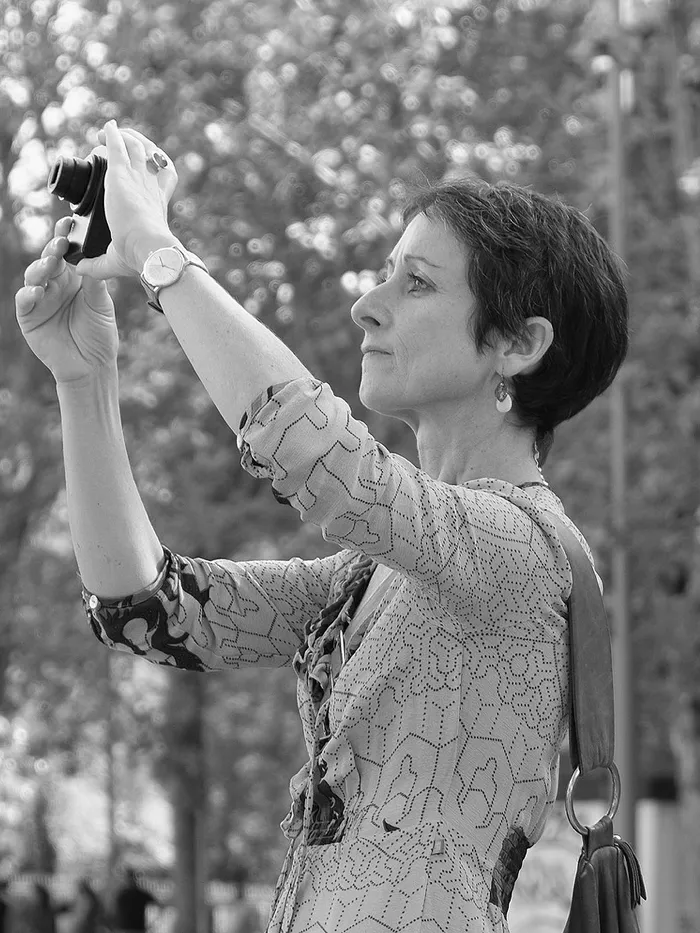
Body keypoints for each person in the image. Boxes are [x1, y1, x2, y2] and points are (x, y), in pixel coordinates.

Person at [15, 122, 628, 933]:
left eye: (414, 284)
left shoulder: (521, 549)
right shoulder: (373, 574)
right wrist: (84, 378)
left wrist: (161, 254)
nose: (365, 304)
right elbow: (151, 610)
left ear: (518, 344)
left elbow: (317, 455)